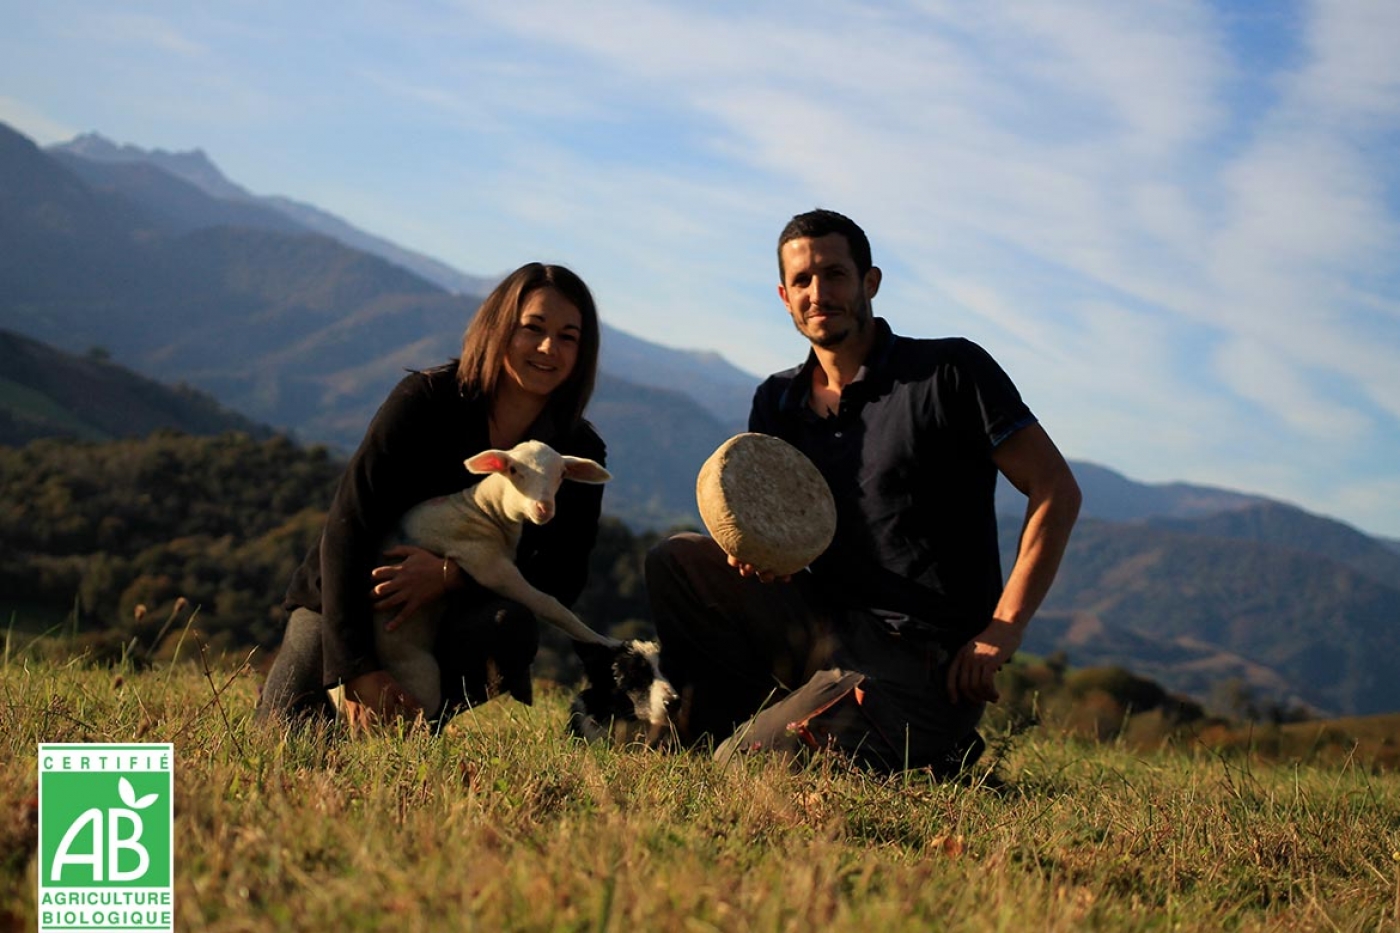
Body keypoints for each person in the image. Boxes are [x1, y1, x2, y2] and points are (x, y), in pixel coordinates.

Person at [646, 209, 1081, 775]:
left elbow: (1056, 489)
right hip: (820, 629)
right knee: (676, 559)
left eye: (835, 274)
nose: (818, 292)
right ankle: (717, 723)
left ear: (869, 282)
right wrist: (756, 559)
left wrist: (1003, 628)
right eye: (802, 280)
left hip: (920, 658)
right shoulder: (777, 401)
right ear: (784, 296)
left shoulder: (949, 372)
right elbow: (777, 532)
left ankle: (929, 748)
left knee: (745, 768)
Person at [256, 262, 608, 729]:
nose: (549, 348)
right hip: (354, 599)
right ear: (499, 327)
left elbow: (561, 578)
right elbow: (348, 526)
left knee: (510, 629)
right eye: (533, 328)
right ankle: (364, 699)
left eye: (568, 336)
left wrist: (452, 576)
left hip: (453, 619)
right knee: (282, 734)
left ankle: (417, 720)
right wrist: (357, 666)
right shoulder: (425, 401)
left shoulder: (577, 450)